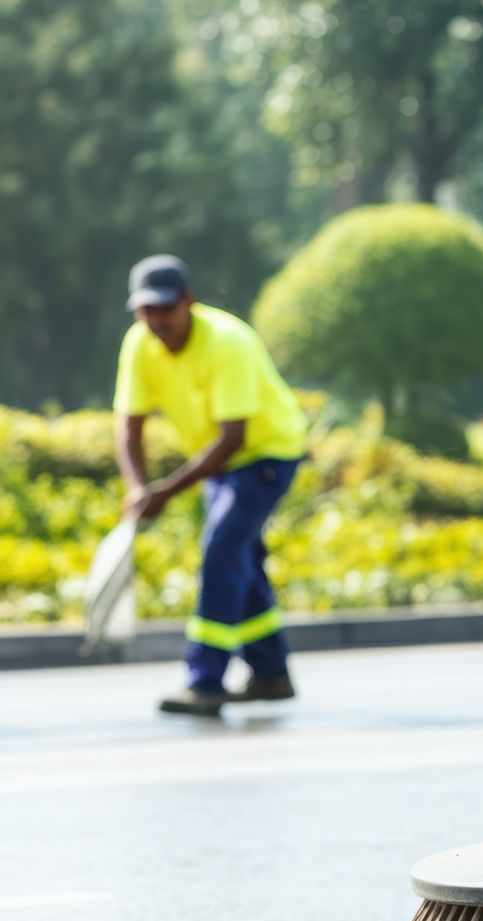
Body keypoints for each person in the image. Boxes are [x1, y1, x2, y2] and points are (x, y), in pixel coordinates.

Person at [112, 255, 309, 716]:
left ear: (188, 302)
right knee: (241, 559)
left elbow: (234, 436)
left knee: (222, 550)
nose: (156, 321)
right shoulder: (140, 344)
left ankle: (205, 680)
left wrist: (165, 491)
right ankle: (270, 673)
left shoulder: (227, 342)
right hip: (221, 463)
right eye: (146, 311)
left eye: (164, 309)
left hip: (267, 453)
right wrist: (137, 487)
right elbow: (129, 426)